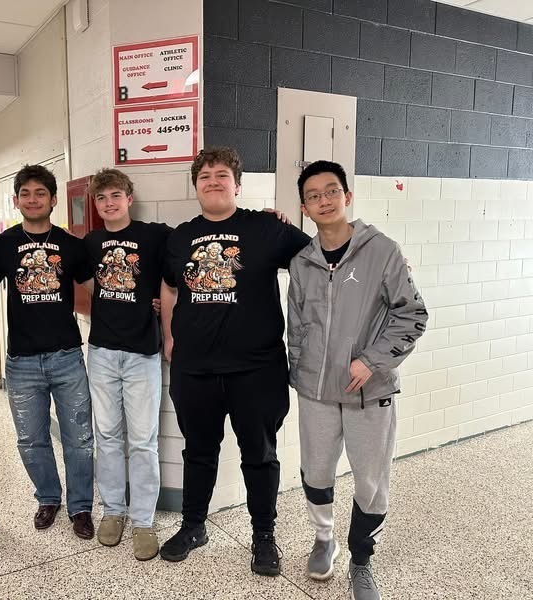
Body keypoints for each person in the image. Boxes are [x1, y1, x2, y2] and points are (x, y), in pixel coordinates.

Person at [159, 147, 311, 576]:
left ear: (237, 184)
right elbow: (170, 289)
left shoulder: (266, 227)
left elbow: (322, 255)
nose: (212, 180)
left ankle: (264, 535)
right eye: (204, 175)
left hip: (256, 370)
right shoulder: (180, 236)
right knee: (199, 453)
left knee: (259, 455)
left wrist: (381, 261)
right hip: (195, 370)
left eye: (221, 174)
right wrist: (170, 337)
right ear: (196, 186)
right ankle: (193, 526)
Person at [287, 161, 428, 600]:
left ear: (347, 196)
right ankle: (323, 538)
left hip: (370, 391)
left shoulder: (382, 250)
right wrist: (299, 375)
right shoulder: (302, 262)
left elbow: (413, 314)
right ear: (305, 208)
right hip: (316, 393)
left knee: (370, 480)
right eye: (314, 196)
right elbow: (297, 325)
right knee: (316, 473)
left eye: (332, 191)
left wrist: (372, 361)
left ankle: (361, 560)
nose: (324, 201)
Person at [0, 164, 96, 541]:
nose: (33, 199)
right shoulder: (1, 246)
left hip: (67, 357)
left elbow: (98, 289)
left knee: (79, 437)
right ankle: (48, 497)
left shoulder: (70, 245)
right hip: (21, 363)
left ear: (52, 200)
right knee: (31, 438)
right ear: (17, 200)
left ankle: (81, 507)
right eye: (26, 194)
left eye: (40, 193)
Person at [83, 168, 171, 561]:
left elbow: (189, 257)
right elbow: (73, 283)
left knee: (143, 440)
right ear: (96, 204)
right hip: (101, 352)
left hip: (142, 354)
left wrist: (165, 304)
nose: (109, 203)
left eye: (115, 195)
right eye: (101, 198)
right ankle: (113, 511)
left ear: (129, 198)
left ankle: (143, 520)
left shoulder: (154, 236)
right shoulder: (91, 242)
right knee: (107, 437)